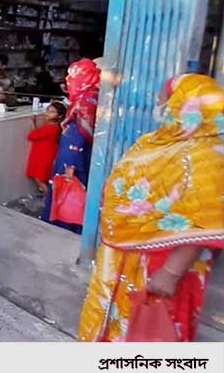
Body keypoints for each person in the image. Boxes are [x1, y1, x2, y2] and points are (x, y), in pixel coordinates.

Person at [78, 74, 224, 342]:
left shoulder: (208, 156)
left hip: (160, 264)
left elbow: (205, 220)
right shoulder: (157, 142)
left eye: (165, 98)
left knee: (147, 329)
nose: (159, 103)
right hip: (121, 256)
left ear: (184, 105)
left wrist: (170, 273)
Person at [41, 58, 100, 233]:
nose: (68, 80)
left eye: (72, 76)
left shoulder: (85, 102)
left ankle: (65, 227)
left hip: (73, 159)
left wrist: (71, 165)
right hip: (83, 156)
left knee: (69, 193)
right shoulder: (94, 96)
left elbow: (78, 136)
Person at [26, 102, 66, 194]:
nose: (48, 113)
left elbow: (32, 136)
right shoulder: (53, 127)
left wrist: (33, 124)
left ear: (59, 116)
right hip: (46, 154)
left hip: (45, 155)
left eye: (52, 112)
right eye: (48, 110)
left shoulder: (52, 128)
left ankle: (50, 200)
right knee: (42, 178)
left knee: (39, 178)